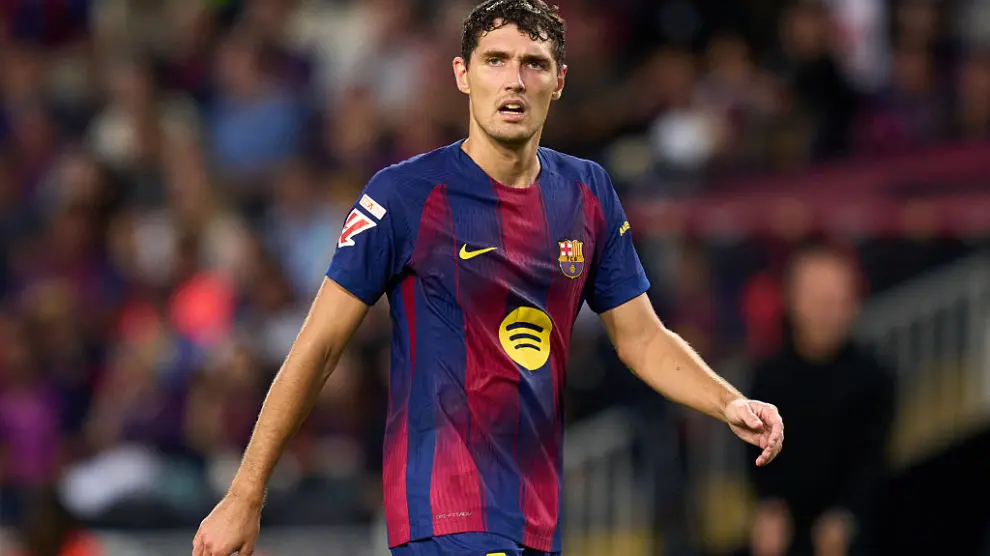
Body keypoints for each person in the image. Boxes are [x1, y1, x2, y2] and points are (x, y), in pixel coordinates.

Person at [192, 1, 785, 555]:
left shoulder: (588, 193)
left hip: (536, 516)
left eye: (534, 64)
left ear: (559, 81)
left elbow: (643, 339)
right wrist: (246, 494)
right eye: (495, 60)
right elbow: (319, 345)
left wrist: (728, 401)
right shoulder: (405, 194)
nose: (514, 80)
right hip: (445, 512)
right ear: (463, 74)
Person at [746, 245, 895, 556]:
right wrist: (768, 505)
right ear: (792, 301)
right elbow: (757, 458)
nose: (827, 313)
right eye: (818, 301)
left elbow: (871, 465)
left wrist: (847, 516)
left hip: (853, 527)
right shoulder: (767, 376)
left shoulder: (874, 378)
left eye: (838, 302)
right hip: (785, 525)